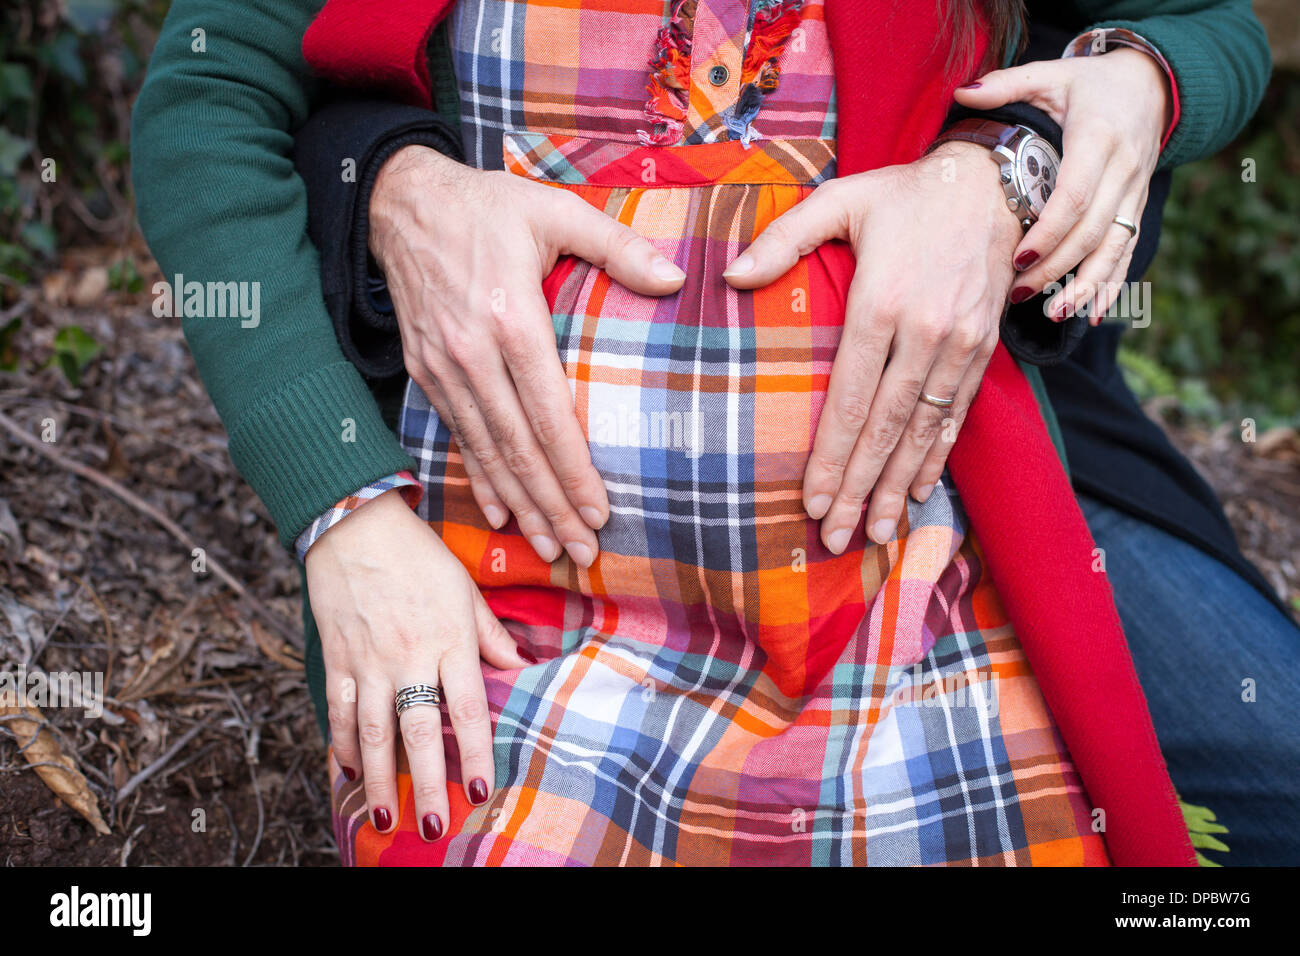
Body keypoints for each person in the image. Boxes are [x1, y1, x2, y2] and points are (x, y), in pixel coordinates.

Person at [131, 0, 1287, 865]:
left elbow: (1204, 29)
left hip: (930, 562)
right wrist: (342, 507)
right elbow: (215, 88)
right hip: (525, 595)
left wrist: (1102, 105)